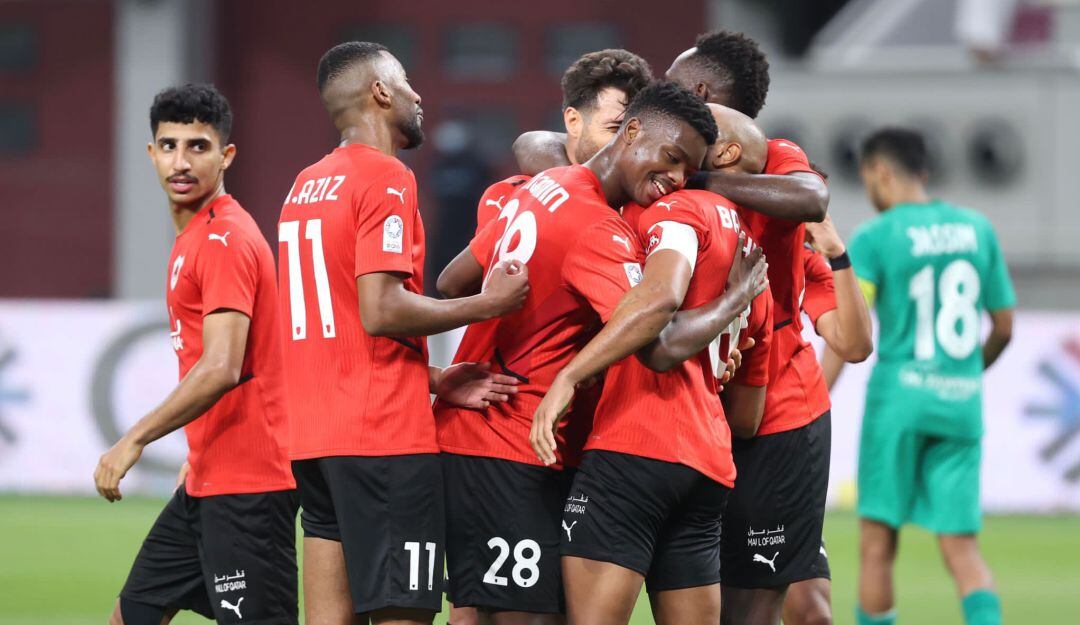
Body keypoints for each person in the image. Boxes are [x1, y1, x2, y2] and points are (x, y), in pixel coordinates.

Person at [436, 80, 730, 625]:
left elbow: (454, 280)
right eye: (670, 158)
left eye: (688, 170)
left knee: (482, 611)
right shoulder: (598, 229)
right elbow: (657, 339)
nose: (675, 180)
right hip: (512, 440)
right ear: (632, 129)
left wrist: (516, 324)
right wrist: (732, 301)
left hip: (486, 435)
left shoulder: (547, 182)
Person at [278, 42, 528, 625]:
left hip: (317, 441)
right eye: (407, 82)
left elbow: (336, 324)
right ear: (380, 93)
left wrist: (435, 379)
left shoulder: (304, 186)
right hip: (383, 440)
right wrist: (484, 302)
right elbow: (381, 310)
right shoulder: (386, 177)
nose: (420, 95)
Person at [527, 101, 774, 625]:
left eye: (688, 162)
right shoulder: (757, 265)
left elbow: (659, 304)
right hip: (708, 465)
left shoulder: (675, 212)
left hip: (634, 446)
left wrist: (571, 375)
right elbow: (747, 417)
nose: (678, 176)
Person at [95, 83, 298, 625]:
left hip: (251, 487)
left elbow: (221, 366)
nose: (180, 162)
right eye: (169, 145)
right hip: (208, 478)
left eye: (198, 147)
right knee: (132, 615)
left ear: (226, 155)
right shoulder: (195, 237)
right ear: (151, 153)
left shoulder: (223, 240)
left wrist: (132, 439)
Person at [662, 31, 841, 625]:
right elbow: (539, 146)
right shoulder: (658, 166)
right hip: (684, 409)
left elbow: (811, 198)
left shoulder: (774, 157)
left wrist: (703, 183)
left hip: (777, 415)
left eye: (672, 83)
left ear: (704, 95)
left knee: (750, 607)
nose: (658, 93)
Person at [849, 128, 1014, 625]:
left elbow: (854, 325)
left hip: (898, 401)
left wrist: (819, 387)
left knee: (878, 547)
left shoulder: (876, 236)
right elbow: (1004, 327)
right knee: (962, 549)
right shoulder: (977, 229)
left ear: (879, 173)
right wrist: (963, 372)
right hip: (960, 402)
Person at [781, 215, 875, 625]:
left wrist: (836, 253)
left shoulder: (801, 260)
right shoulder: (698, 234)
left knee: (811, 613)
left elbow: (855, 344)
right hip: (694, 442)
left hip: (777, 447)